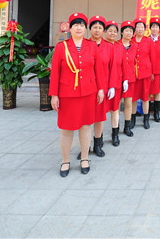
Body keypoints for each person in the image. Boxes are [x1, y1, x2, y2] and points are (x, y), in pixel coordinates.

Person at [50, 13, 105, 177]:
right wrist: (54, 95)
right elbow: (55, 73)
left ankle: (85, 159)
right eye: (76, 25)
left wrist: (101, 89)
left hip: (88, 92)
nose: (79, 28)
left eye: (82, 25)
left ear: (85, 28)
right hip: (67, 94)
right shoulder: (62, 47)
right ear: (70, 28)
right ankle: (65, 161)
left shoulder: (92, 46)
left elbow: (98, 69)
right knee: (67, 128)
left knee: (86, 126)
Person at [88, 15, 113, 157]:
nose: (97, 30)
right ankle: (85, 146)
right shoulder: (84, 45)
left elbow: (113, 68)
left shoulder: (109, 47)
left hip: (102, 88)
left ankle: (98, 144)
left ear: (104, 31)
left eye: (100, 28)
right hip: (86, 87)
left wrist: (112, 86)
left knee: (99, 117)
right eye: (94, 27)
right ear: (90, 29)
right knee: (85, 119)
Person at [104, 20, 129, 147]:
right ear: (105, 32)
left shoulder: (120, 47)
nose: (113, 33)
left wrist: (125, 79)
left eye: (115, 31)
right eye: (110, 31)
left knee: (115, 110)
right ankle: (98, 138)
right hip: (103, 84)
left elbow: (125, 65)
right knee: (101, 112)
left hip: (117, 83)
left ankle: (115, 134)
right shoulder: (101, 46)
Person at [130, 18, 154, 130]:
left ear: (145, 29)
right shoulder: (130, 40)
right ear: (135, 29)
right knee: (133, 98)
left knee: (145, 97)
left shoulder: (149, 41)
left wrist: (152, 72)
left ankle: (146, 119)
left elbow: (153, 58)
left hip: (146, 73)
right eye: (138, 26)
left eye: (142, 27)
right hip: (133, 74)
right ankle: (132, 119)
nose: (140, 29)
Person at [118, 20, 136, 137]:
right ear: (122, 32)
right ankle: (116, 127)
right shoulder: (116, 45)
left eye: (130, 31)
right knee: (117, 105)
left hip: (130, 78)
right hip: (118, 78)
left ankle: (127, 126)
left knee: (128, 103)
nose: (129, 33)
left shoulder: (134, 46)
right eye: (126, 31)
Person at [148, 17, 160, 123]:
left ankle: (156, 113)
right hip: (148, 71)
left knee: (157, 92)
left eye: (156, 27)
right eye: (153, 27)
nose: (154, 29)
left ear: (159, 29)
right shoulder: (146, 40)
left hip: (159, 70)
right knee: (147, 92)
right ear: (150, 28)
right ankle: (146, 113)